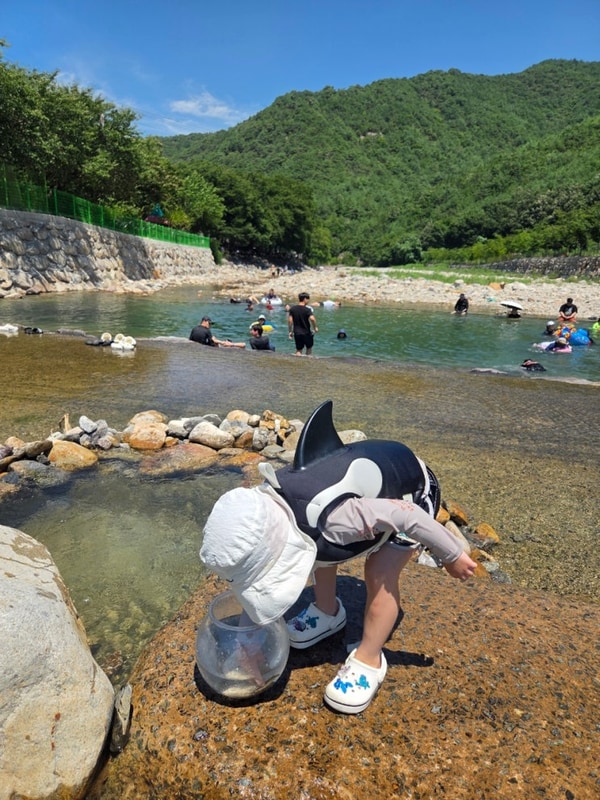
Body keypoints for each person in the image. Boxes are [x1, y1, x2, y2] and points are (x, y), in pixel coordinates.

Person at [200, 400, 477, 715]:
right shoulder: (267, 501)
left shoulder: (339, 518)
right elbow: (256, 581)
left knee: (379, 571)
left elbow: (408, 515)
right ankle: (328, 612)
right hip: (352, 501)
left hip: (412, 491)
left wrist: (451, 554)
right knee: (317, 550)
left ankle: (370, 659)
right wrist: (248, 644)